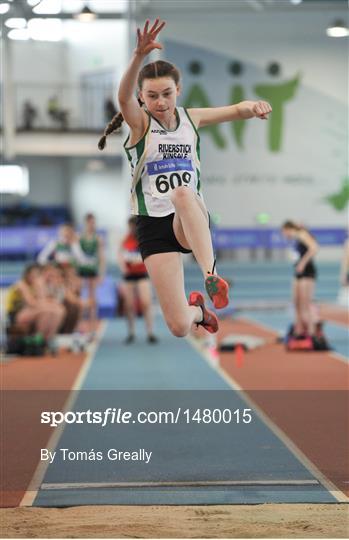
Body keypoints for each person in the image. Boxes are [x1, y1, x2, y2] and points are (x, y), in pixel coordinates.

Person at [98, 19, 272, 338]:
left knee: (181, 193)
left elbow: (236, 109)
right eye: (152, 97)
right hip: (152, 223)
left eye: (167, 94)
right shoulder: (140, 125)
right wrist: (138, 56)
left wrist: (255, 107)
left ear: (178, 90)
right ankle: (199, 310)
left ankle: (211, 275)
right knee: (179, 326)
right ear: (142, 97)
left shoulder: (191, 119)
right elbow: (122, 99)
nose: (161, 103)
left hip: (187, 215)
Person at [117, 216, 158, 344]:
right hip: (129, 276)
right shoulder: (125, 240)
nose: (132, 229)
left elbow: (151, 254)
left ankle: (150, 332)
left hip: (142, 274)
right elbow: (120, 254)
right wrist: (123, 266)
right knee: (129, 305)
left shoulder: (143, 238)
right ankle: (131, 332)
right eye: (130, 227)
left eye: (133, 226)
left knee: (146, 302)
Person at [5, 263, 65, 343]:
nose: (35, 276)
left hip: (29, 312)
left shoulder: (35, 285)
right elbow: (31, 303)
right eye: (33, 274)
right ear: (27, 274)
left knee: (58, 311)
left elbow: (43, 300)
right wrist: (40, 288)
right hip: (15, 315)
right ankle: (39, 337)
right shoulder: (21, 284)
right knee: (47, 310)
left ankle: (47, 338)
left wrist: (41, 288)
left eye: (37, 274)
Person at [281, 221, 319, 337]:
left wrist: (302, 263)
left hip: (307, 271)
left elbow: (314, 248)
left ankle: (312, 332)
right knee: (296, 302)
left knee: (305, 304)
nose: (283, 235)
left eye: (283, 232)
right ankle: (299, 330)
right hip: (298, 272)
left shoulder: (301, 234)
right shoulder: (295, 238)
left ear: (288, 229)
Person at [77, 213, 106, 329]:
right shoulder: (79, 237)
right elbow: (75, 255)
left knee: (93, 298)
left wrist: (102, 273)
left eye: (93, 223)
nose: (92, 225)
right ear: (85, 223)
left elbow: (101, 257)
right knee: (79, 297)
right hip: (81, 270)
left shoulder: (98, 238)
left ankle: (93, 325)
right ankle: (79, 324)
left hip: (92, 270)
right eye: (90, 222)